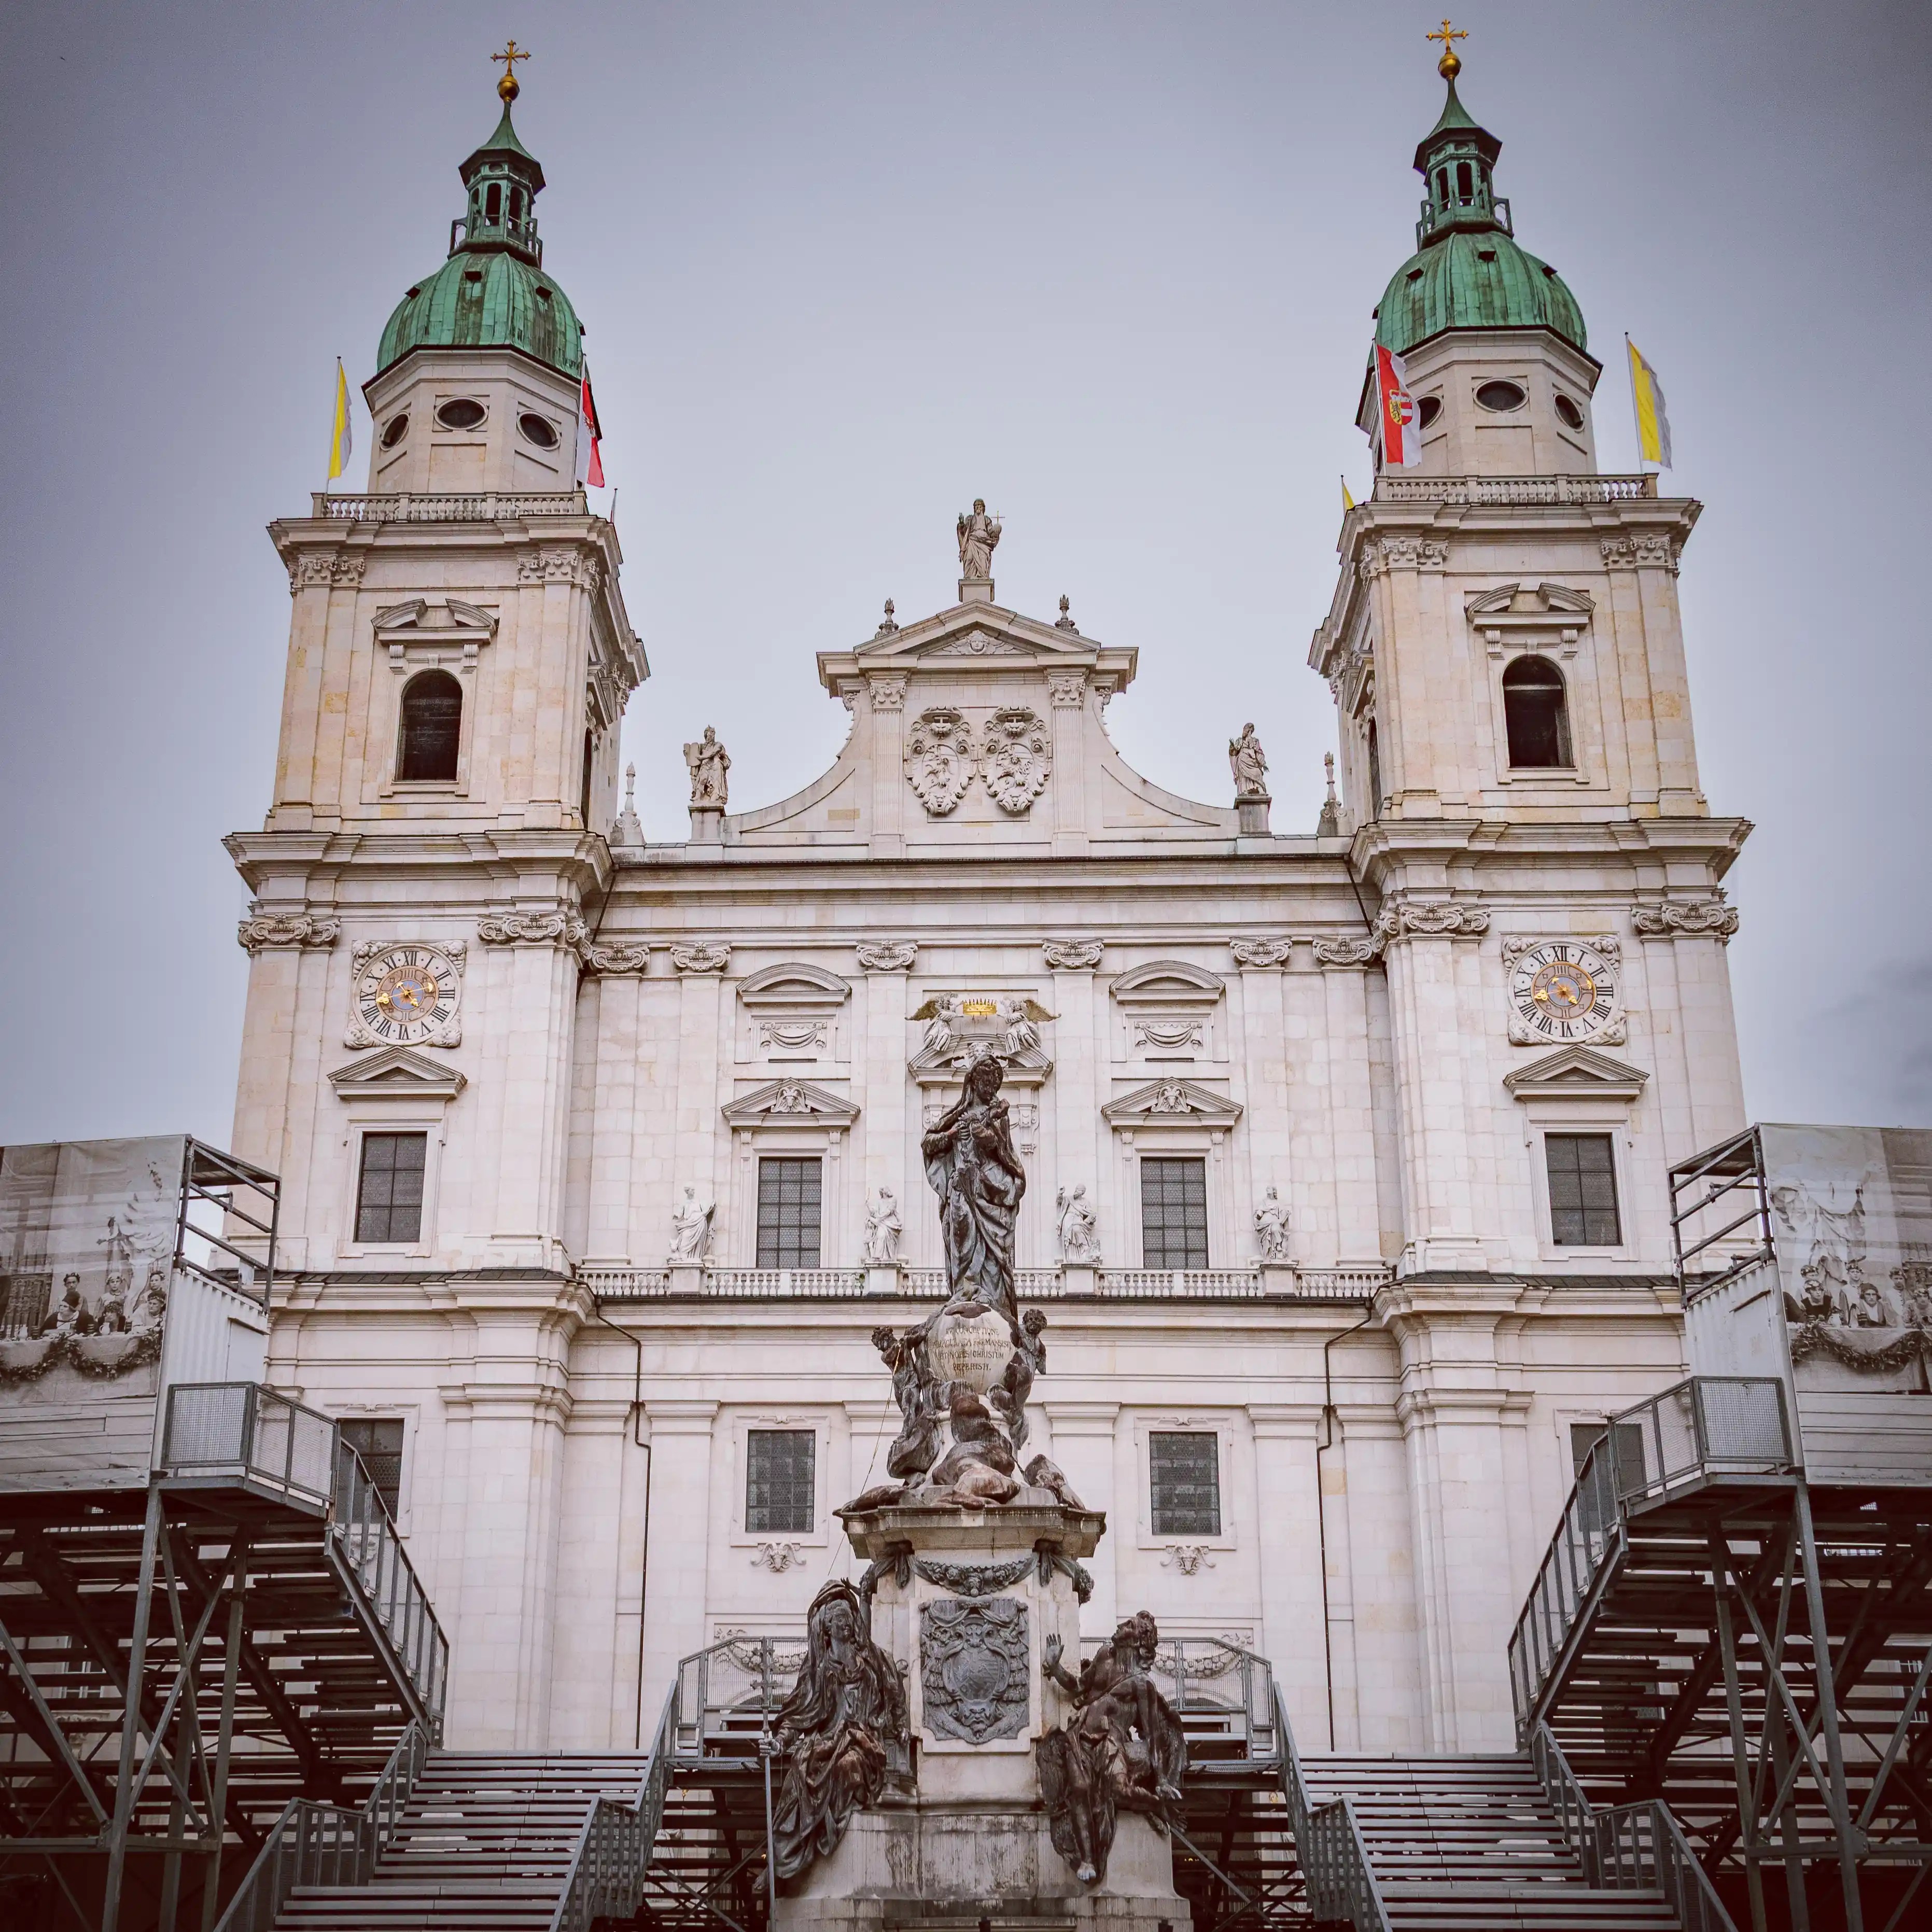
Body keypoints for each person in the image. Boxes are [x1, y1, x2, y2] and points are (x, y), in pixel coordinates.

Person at [768, 1581, 906, 1883]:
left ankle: (832, 1832)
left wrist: (901, 1724)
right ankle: (798, 1849)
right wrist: (780, 1742)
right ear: (827, 1628)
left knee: (849, 1765)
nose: (845, 1622)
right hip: (828, 1740)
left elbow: (893, 1692)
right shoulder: (818, 1668)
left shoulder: (871, 1660)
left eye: (848, 1616)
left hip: (863, 1741)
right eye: (838, 1618)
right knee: (803, 1767)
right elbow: (799, 1713)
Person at [921, 1054, 1026, 1336]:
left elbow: (1004, 1151)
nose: (990, 1089)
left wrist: (988, 1137)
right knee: (961, 1232)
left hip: (987, 1189)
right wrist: (952, 1134)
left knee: (991, 1249)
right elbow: (928, 1142)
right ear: (974, 1083)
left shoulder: (998, 1117)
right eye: (985, 1083)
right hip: (960, 1186)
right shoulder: (958, 1115)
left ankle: (984, 1292)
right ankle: (964, 1288)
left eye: (994, 1084)